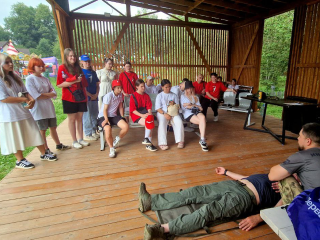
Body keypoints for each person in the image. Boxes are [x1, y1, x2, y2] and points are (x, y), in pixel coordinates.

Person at [139, 167, 282, 239]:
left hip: (245, 199)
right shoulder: (280, 173)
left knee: (207, 212)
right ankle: (150, 201)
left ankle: (161, 230)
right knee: (194, 192)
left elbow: (282, 207)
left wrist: (258, 217)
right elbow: (247, 178)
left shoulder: (296, 191)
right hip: (236, 185)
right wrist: (227, 172)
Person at [0, 54, 56, 169]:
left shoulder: (15, 77)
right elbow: (4, 98)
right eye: (7, 62)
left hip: (23, 111)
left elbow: (24, 91)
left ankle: (44, 152)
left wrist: (31, 100)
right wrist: (24, 99)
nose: (10, 64)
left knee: (33, 131)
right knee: (14, 136)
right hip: (9, 114)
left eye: (11, 62)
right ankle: (20, 159)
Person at [26, 58, 70, 156]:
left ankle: (58, 144)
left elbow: (54, 92)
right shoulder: (30, 79)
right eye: (39, 66)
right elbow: (35, 95)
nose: (41, 68)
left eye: (42, 66)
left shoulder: (45, 79)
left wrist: (44, 94)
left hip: (49, 107)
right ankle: (45, 149)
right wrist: (47, 94)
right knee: (42, 129)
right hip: (38, 108)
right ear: (33, 67)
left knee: (53, 127)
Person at [268, 123, 320, 203]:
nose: (298, 138)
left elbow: (272, 176)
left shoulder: (302, 156)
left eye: (300, 136)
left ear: (308, 141)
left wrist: (292, 173)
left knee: (286, 177)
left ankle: (280, 212)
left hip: (314, 208)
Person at [56, 48, 90, 149]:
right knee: (72, 119)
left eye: (74, 56)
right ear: (66, 57)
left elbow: (83, 83)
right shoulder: (62, 68)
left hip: (80, 96)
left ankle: (80, 138)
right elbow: (59, 84)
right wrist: (74, 81)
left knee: (79, 118)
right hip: (69, 97)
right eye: (70, 56)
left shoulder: (78, 68)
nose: (72, 58)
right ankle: (74, 140)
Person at [97, 80, 129, 158]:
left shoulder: (121, 95)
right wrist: (106, 119)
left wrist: (122, 116)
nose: (120, 89)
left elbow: (121, 106)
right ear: (113, 88)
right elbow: (105, 109)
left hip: (113, 116)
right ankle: (112, 148)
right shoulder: (108, 96)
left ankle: (117, 139)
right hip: (103, 116)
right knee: (107, 129)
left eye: (121, 88)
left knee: (126, 126)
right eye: (118, 88)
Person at [155, 79, 184, 150]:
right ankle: (162, 143)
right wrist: (165, 114)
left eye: (169, 87)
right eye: (166, 87)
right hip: (162, 113)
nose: (168, 88)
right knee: (162, 123)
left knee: (179, 122)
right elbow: (158, 108)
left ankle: (180, 141)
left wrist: (173, 111)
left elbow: (177, 106)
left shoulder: (174, 95)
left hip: (173, 113)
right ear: (162, 87)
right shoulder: (159, 96)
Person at [130, 79, 157, 151]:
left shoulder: (146, 95)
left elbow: (149, 107)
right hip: (136, 115)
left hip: (145, 113)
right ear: (137, 87)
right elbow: (133, 110)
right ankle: (148, 142)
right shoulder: (133, 96)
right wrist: (142, 116)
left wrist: (150, 114)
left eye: (144, 86)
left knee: (150, 121)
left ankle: (147, 141)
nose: (143, 88)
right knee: (149, 123)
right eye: (141, 86)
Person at [181, 81, 208, 151]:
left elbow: (201, 108)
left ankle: (202, 139)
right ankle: (203, 138)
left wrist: (193, 105)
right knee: (202, 121)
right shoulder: (182, 96)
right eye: (188, 89)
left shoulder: (195, 97)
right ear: (185, 89)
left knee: (203, 117)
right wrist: (194, 105)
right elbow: (185, 107)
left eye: (190, 88)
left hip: (196, 111)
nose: (189, 90)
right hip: (188, 113)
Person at [80, 55, 100, 141]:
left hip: (94, 96)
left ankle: (93, 131)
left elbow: (97, 84)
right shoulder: (81, 72)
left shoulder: (93, 72)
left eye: (88, 61)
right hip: (86, 97)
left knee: (94, 114)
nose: (87, 63)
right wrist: (89, 95)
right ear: (82, 62)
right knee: (87, 115)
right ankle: (87, 133)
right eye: (85, 61)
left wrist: (96, 94)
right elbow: (82, 87)